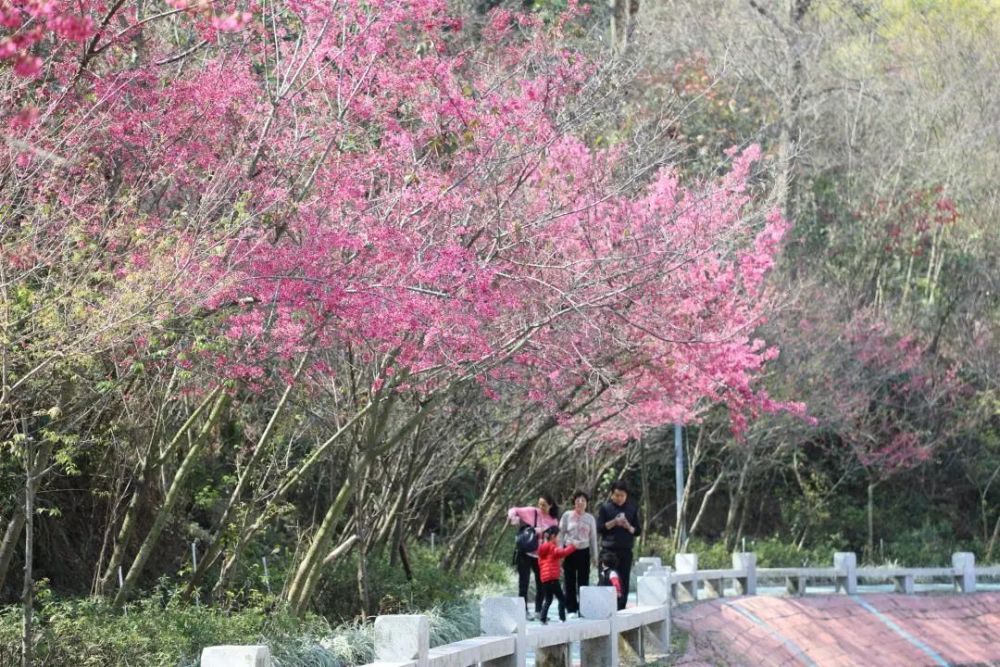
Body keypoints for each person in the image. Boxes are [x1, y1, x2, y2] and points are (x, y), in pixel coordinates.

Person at [507, 493, 559, 619]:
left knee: (542, 583)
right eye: (540, 504)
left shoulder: (554, 520)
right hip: (525, 553)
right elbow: (513, 509)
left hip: (542, 556)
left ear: (550, 505)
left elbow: (554, 540)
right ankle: (523, 611)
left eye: (544, 505)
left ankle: (539, 610)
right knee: (523, 583)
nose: (541, 507)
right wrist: (513, 517)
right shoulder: (532, 512)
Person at [596, 480, 641, 609]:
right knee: (606, 577)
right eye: (616, 495)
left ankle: (621, 607)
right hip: (608, 550)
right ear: (611, 495)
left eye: (622, 495)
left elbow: (637, 531)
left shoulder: (632, 509)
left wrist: (628, 526)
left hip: (625, 550)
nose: (619, 498)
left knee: (623, 579)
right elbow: (599, 527)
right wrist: (614, 522)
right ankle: (604, 607)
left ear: (626, 495)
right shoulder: (605, 508)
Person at [559, 490, 598, 617]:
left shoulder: (590, 518)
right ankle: (571, 608)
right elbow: (561, 534)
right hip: (569, 550)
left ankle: (584, 607)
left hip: (584, 551)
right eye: (577, 500)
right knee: (569, 580)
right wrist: (560, 552)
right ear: (574, 502)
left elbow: (593, 538)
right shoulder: (567, 515)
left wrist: (595, 556)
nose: (580, 503)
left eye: (583, 500)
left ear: (587, 503)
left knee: (583, 580)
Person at [536, 526, 575, 624]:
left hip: (545, 579)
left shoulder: (542, 549)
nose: (558, 539)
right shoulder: (551, 546)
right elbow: (562, 553)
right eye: (558, 536)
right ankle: (562, 618)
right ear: (553, 536)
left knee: (548, 599)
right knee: (561, 599)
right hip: (552, 578)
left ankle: (542, 618)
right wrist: (572, 547)